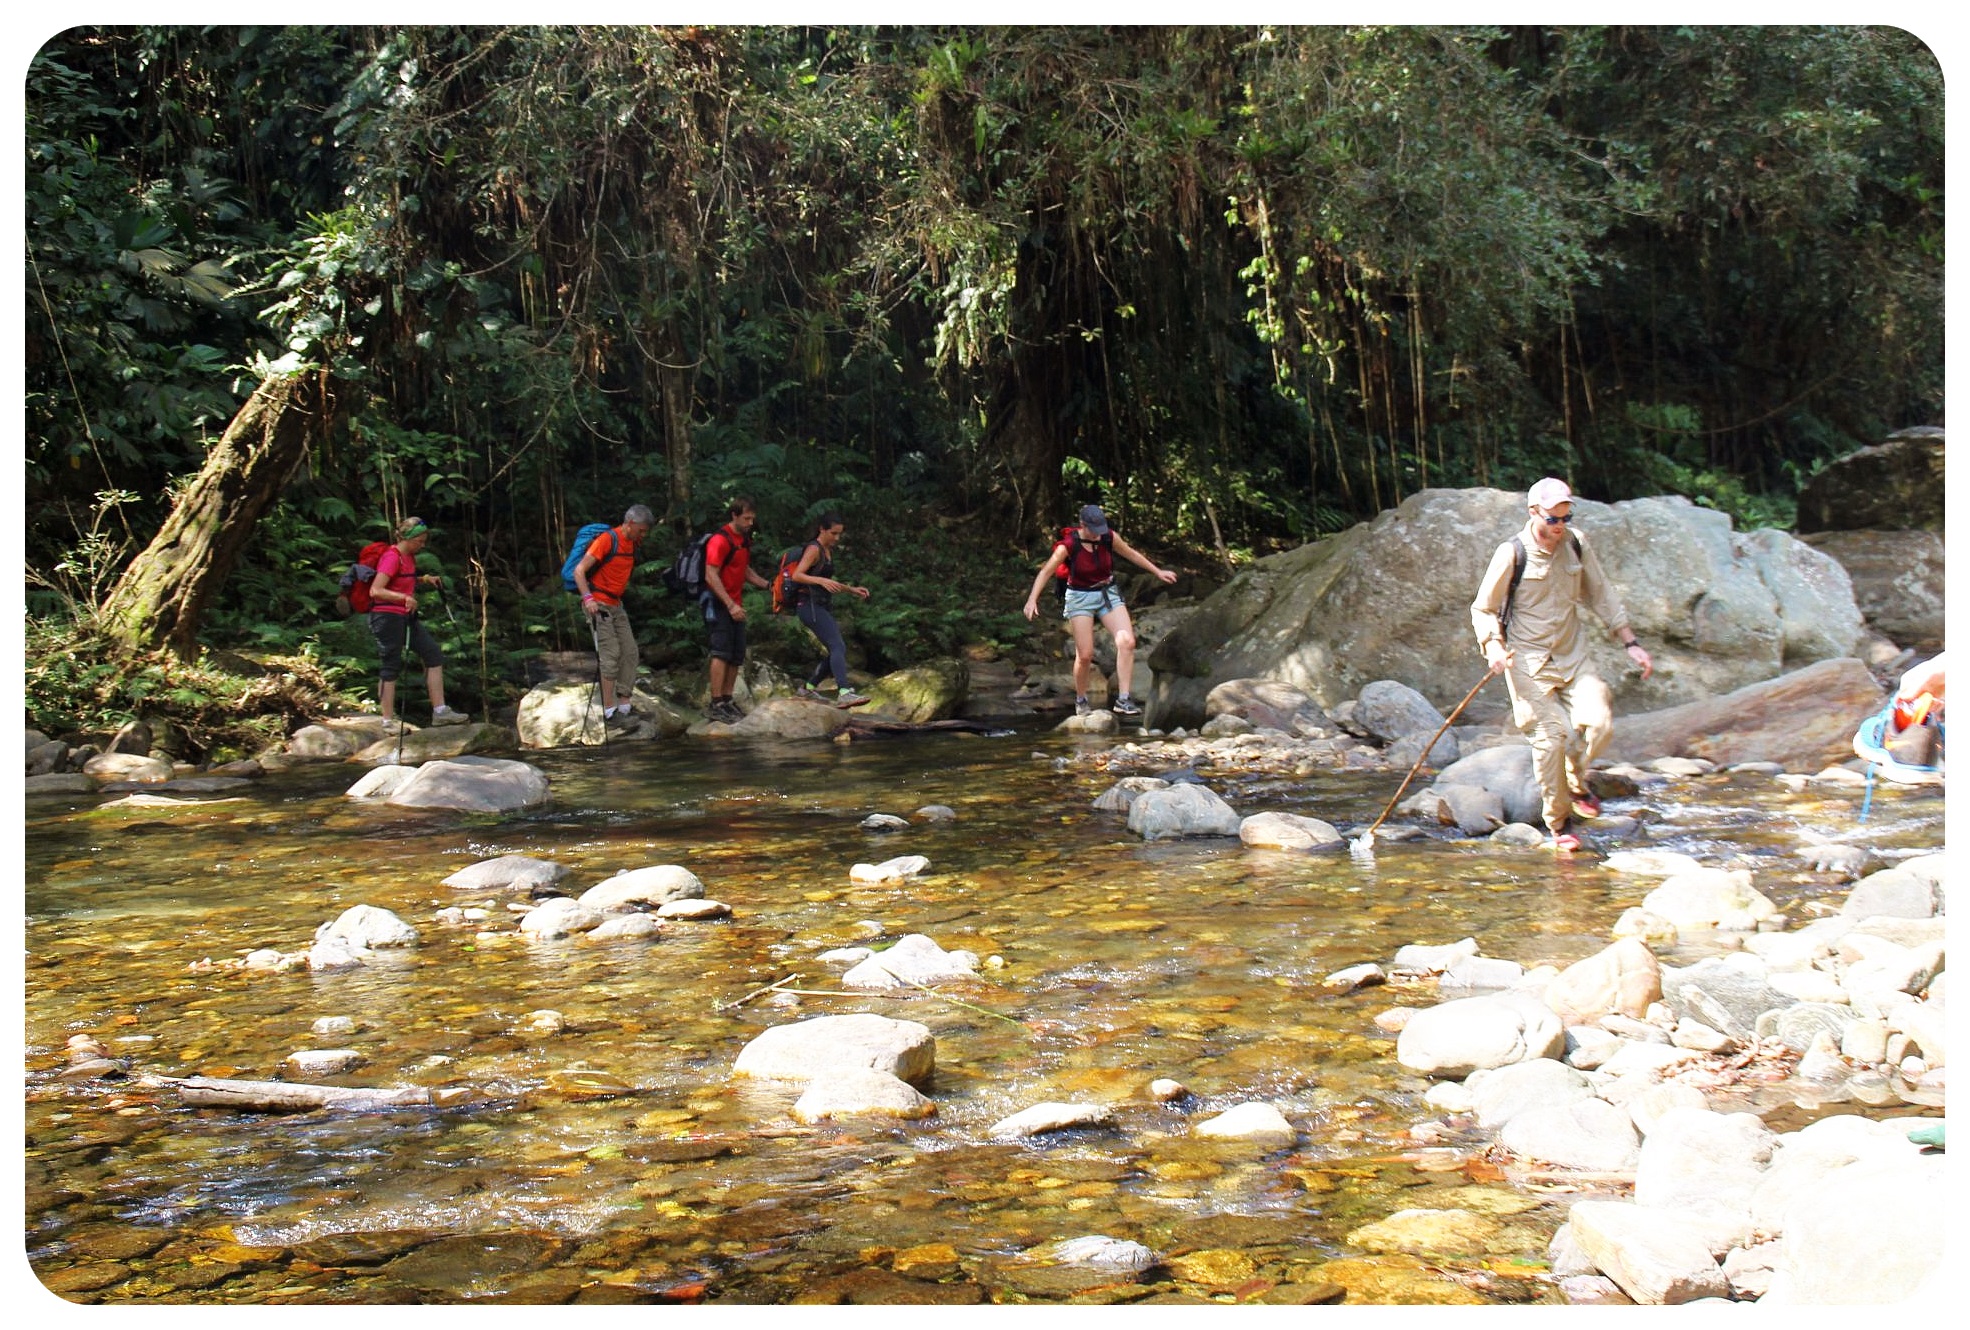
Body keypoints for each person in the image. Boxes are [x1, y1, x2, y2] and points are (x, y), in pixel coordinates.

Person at [1470, 478, 1651, 852]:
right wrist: (1493, 646)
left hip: (1573, 654)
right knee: (1551, 738)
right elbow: (1484, 608)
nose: (1560, 526)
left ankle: (1576, 777)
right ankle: (1560, 822)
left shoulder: (1575, 543)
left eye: (1566, 517)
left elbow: (1601, 592)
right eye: (1553, 518)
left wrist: (1630, 641)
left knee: (1599, 722)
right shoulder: (1512, 553)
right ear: (1534, 512)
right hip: (1526, 661)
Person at [1022, 504, 1178, 717]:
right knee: (1085, 654)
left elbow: (1131, 554)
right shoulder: (1068, 546)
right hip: (1079, 597)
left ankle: (1123, 700)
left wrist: (1157, 572)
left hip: (1107, 592)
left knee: (1127, 642)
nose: (1098, 534)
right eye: (1094, 529)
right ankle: (1081, 699)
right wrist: (1032, 600)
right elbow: (1045, 572)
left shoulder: (1109, 537)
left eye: (1100, 529)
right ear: (1082, 525)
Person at [368, 516, 469, 728]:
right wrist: (404, 598)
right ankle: (387, 720)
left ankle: (440, 711)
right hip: (387, 617)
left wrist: (423, 580)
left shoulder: (408, 558)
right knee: (391, 666)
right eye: (419, 541)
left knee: (432, 654)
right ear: (408, 538)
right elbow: (376, 590)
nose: (422, 545)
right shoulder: (392, 557)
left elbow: (402, 579)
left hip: (405, 616)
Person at [573, 503, 656, 731]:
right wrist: (588, 599)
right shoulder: (608, 540)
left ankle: (625, 707)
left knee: (630, 652)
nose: (644, 535)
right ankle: (609, 713)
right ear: (630, 523)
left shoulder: (632, 541)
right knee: (610, 656)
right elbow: (579, 571)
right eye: (641, 530)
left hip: (616, 605)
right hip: (599, 603)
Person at [787, 512, 873, 707]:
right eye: (833, 533)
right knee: (837, 646)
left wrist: (851, 590)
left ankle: (807, 689)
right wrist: (820, 580)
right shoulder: (813, 549)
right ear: (822, 530)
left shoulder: (826, 550)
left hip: (819, 605)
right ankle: (844, 692)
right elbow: (797, 576)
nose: (837, 538)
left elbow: (828, 582)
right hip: (808, 606)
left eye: (839, 534)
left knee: (837, 648)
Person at [701, 496, 774, 723]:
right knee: (721, 653)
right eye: (746, 518)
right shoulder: (720, 540)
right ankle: (715, 703)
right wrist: (730, 605)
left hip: (736, 603)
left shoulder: (743, 539)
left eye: (752, 518)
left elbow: (744, 569)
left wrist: (769, 586)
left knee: (736, 654)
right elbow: (710, 575)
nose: (750, 523)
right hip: (718, 603)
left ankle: (727, 700)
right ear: (734, 515)